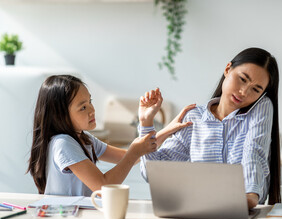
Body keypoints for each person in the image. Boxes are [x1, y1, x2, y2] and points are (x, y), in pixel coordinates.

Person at [138, 47, 281, 209]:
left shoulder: (262, 108)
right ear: (228, 69)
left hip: (242, 212)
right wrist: (146, 122)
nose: (243, 92)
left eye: (256, 89)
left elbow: (253, 151)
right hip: (199, 213)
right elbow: (154, 172)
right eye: (242, 79)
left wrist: (250, 196)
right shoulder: (194, 117)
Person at [27, 75, 193, 196]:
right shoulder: (63, 144)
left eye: (90, 101)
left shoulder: (83, 139)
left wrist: (155, 124)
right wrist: (134, 151)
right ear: (60, 115)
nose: (92, 110)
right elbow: (103, 187)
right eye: (83, 107)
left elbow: (131, 156)